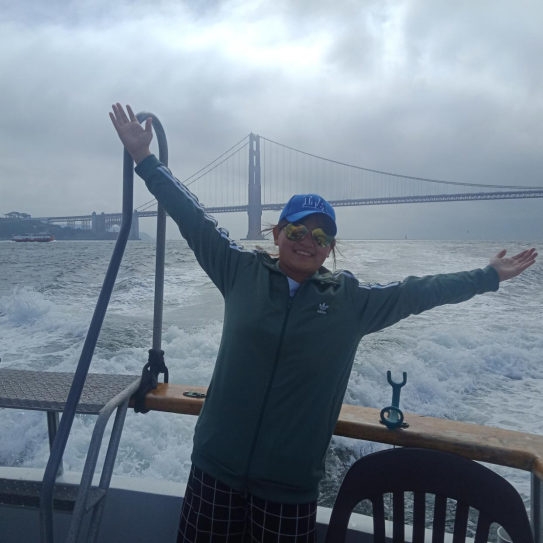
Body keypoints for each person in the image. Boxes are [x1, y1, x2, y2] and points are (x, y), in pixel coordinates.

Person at [109, 103, 537, 543]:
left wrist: (487, 276)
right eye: (297, 231)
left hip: (289, 488)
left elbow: (418, 291)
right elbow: (193, 218)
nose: (307, 242)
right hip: (214, 469)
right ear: (277, 234)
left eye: (320, 236)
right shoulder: (239, 270)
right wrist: (144, 158)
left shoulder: (351, 301)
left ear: (330, 247)